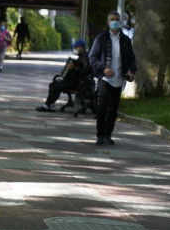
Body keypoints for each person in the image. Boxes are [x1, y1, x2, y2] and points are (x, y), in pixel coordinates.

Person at [89, 10, 137, 146]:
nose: (115, 21)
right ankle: (99, 135)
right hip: (104, 79)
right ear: (108, 22)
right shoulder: (101, 38)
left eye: (117, 19)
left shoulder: (126, 40)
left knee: (113, 109)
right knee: (102, 106)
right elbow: (92, 57)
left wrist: (132, 72)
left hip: (119, 79)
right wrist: (104, 68)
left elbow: (132, 60)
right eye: (112, 19)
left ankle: (107, 135)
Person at [36, 39, 92, 112]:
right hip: (75, 81)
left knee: (55, 86)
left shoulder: (84, 57)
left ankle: (48, 105)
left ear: (81, 47)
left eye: (76, 47)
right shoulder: (81, 57)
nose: (75, 49)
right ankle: (49, 105)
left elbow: (85, 71)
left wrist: (74, 68)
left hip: (78, 83)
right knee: (54, 84)